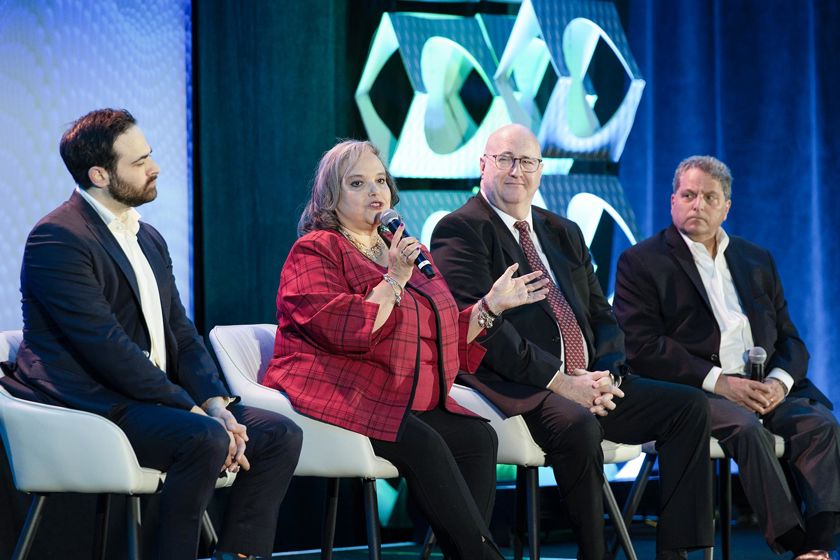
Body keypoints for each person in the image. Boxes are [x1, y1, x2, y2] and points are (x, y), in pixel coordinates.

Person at [7, 108, 302, 560]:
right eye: (140, 161)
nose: (155, 167)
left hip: (150, 400)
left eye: (151, 156)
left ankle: (239, 555)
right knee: (202, 439)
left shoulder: (149, 237)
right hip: (93, 402)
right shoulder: (57, 238)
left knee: (278, 435)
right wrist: (191, 409)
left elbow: (181, 334)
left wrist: (215, 404)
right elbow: (106, 347)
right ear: (100, 174)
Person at [430, 124, 714, 560]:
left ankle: (675, 552)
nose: (515, 171)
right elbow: (483, 328)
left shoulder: (562, 230)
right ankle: (593, 554)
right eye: (504, 159)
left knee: (690, 407)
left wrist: (608, 377)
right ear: (482, 164)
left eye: (527, 162)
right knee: (579, 426)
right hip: (521, 385)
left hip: (589, 380)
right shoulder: (461, 229)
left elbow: (602, 314)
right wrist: (561, 382)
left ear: (541, 171)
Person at [262, 139, 549, 560]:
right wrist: (394, 278)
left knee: (478, 438)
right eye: (357, 183)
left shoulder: (401, 249)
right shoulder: (316, 249)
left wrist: (490, 306)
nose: (375, 191)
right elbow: (343, 328)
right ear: (331, 197)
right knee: (426, 443)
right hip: (347, 392)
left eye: (380, 180)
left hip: (402, 394)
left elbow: (443, 331)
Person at [613, 155, 840, 560]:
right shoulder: (642, 262)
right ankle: (793, 541)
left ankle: (819, 544)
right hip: (696, 394)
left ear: (726, 206)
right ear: (672, 201)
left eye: (708, 197)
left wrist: (778, 383)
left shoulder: (756, 259)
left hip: (763, 388)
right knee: (744, 427)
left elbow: (791, 340)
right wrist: (720, 382)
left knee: (820, 425)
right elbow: (644, 347)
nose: (697, 204)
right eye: (688, 194)